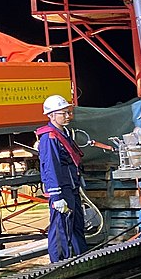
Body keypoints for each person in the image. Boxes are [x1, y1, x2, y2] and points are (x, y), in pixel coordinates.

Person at [37, 94, 87, 261]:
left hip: (71, 187)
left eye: (68, 112)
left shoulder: (63, 134)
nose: (68, 116)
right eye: (63, 113)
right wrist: (56, 195)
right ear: (51, 115)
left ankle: (82, 258)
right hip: (61, 189)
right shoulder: (50, 138)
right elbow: (50, 167)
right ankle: (59, 264)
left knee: (76, 225)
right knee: (61, 229)